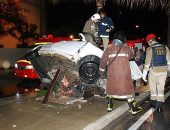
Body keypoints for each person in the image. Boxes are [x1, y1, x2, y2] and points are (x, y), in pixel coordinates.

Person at [99, 31, 142, 115]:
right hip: (124, 75)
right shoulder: (126, 49)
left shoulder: (109, 49)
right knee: (128, 91)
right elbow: (132, 57)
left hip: (112, 74)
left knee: (110, 89)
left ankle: (109, 106)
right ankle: (133, 109)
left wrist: (101, 72)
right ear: (123, 39)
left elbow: (103, 61)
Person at [142, 33, 170, 113]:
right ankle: (160, 106)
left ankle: (154, 103)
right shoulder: (165, 48)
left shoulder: (150, 49)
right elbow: (169, 61)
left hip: (153, 71)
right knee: (160, 88)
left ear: (150, 41)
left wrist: (144, 74)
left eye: (148, 42)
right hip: (163, 71)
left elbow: (147, 63)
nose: (148, 43)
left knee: (153, 87)